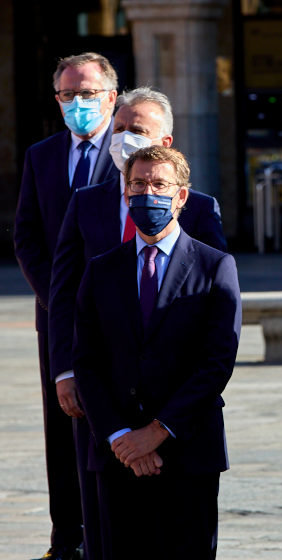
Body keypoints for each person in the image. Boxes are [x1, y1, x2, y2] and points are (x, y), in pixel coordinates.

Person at [46, 86, 227, 559]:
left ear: (181, 194)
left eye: (159, 186)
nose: (147, 193)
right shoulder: (101, 262)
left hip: (187, 440)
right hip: (115, 443)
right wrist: (121, 437)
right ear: (126, 190)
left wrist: (159, 430)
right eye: (138, 186)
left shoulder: (211, 253)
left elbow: (216, 356)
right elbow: (86, 350)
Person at [14, 51, 120, 560]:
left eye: (89, 94)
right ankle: (66, 539)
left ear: (112, 97)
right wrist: (58, 299)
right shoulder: (42, 155)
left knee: (111, 418)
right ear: (57, 100)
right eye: (68, 95)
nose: (78, 103)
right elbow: (28, 237)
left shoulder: (130, 155)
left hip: (117, 313)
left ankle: (108, 533)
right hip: (55, 318)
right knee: (62, 426)